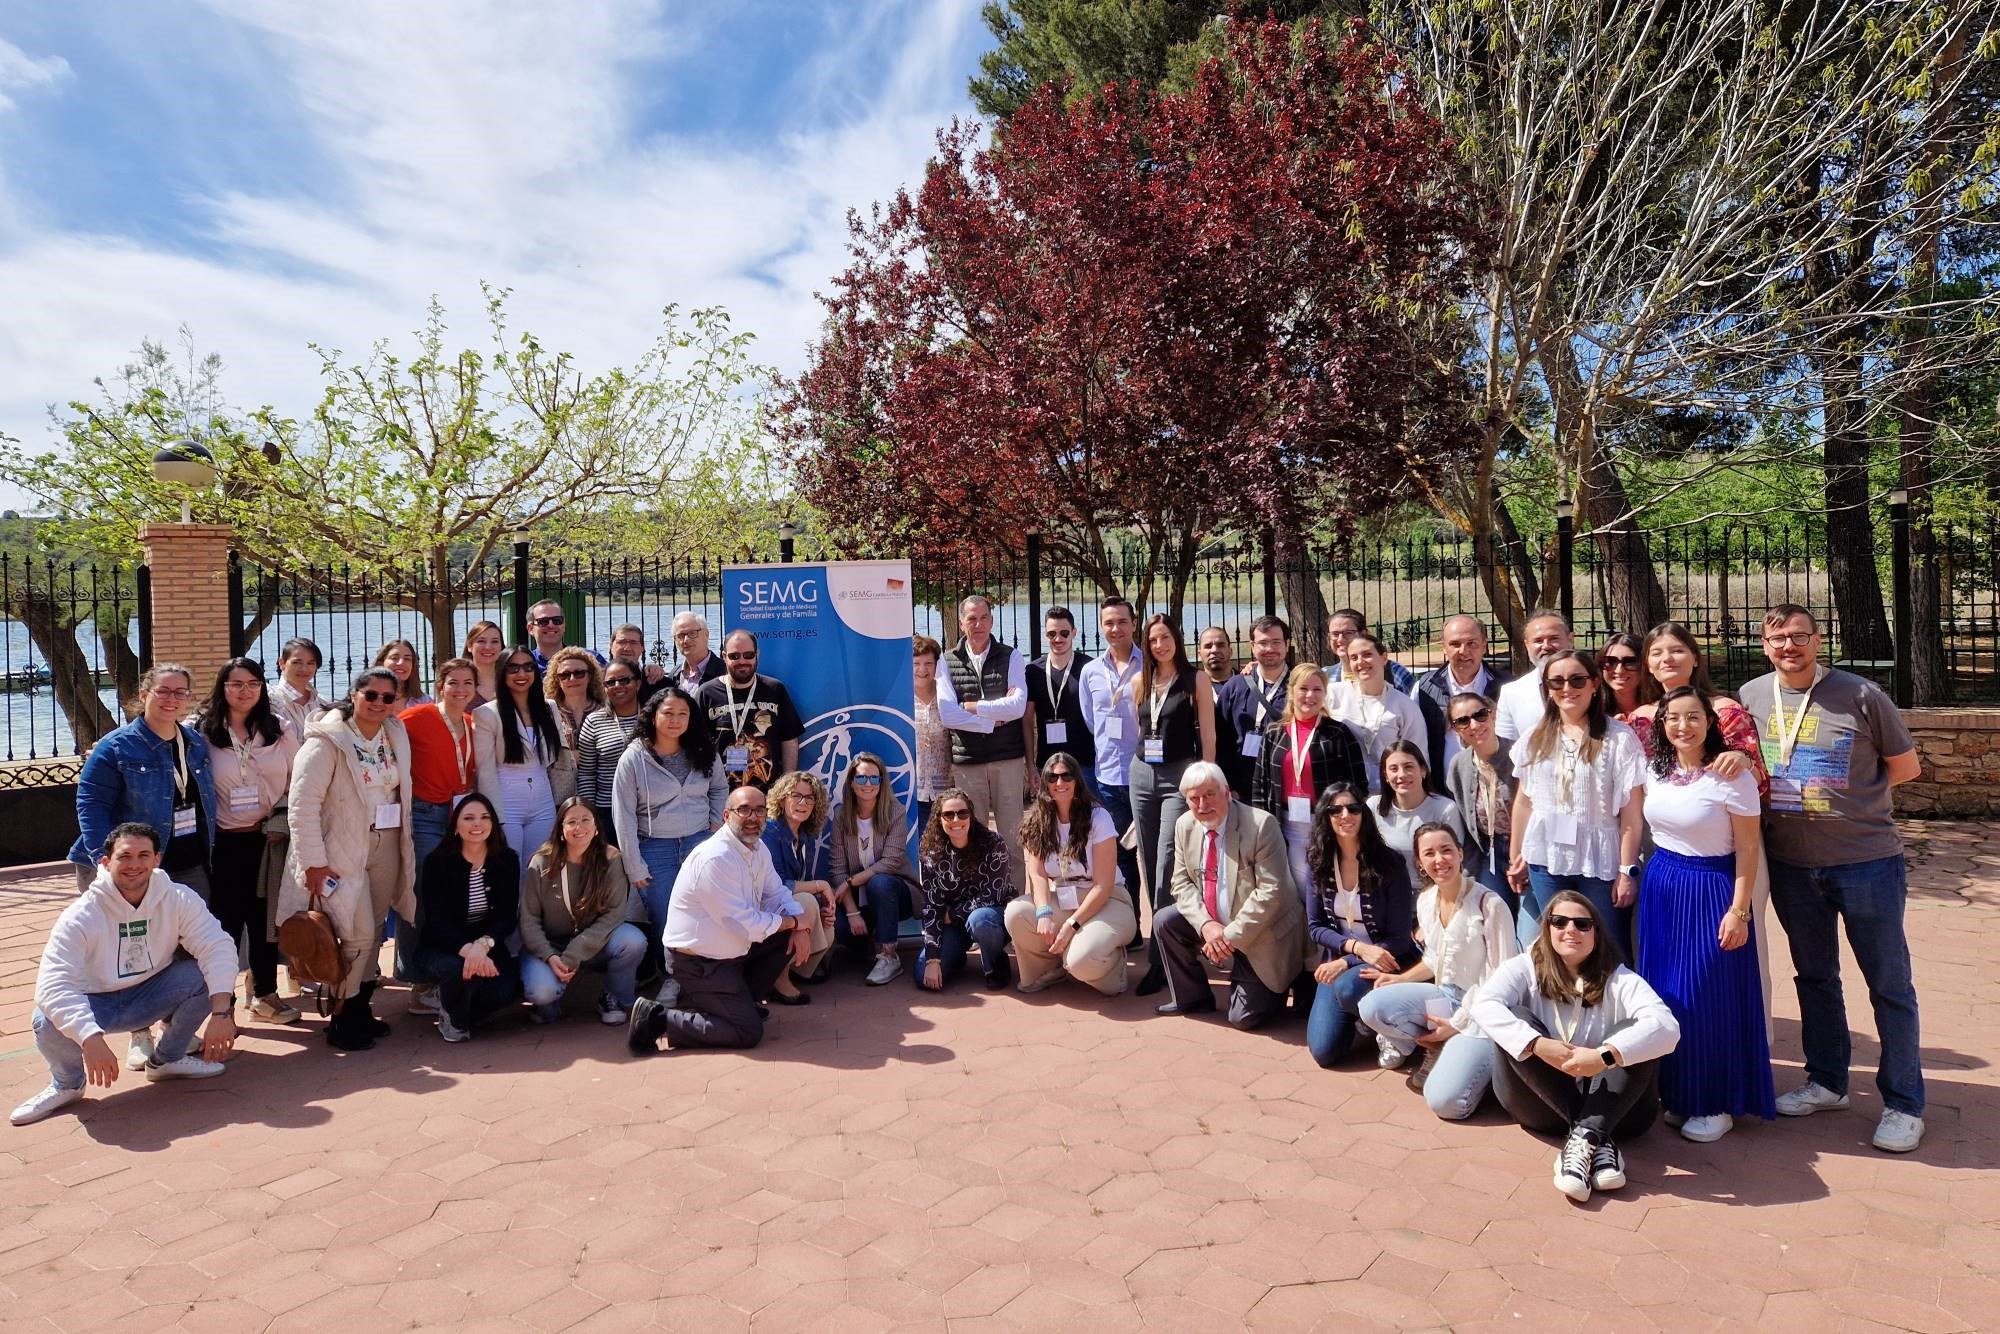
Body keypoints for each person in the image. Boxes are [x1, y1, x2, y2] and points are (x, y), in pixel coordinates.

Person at [1738, 604, 1926, 1153]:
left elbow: (1905, 767)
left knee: (1889, 984)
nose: (1788, 647)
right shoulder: (1752, 697)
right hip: (1793, 865)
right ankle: (1827, 1081)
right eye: (1777, 639)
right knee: (1815, 977)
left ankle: (1903, 1102)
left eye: (1799, 636)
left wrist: (1854, 805)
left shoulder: (1861, 695)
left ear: (1819, 641)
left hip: (1865, 861)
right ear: (1764, 645)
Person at [12, 824, 239, 1126]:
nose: (135, 865)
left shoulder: (177, 898)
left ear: (157, 859)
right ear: (106, 862)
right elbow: (54, 984)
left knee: (203, 976)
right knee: (46, 1018)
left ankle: (166, 1060)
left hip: (151, 993)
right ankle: (67, 1084)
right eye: (125, 856)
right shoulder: (81, 915)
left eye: (144, 855)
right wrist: (89, 1039)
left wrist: (222, 1013)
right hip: (97, 1004)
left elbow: (217, 945)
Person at [1467, 893, 1681, 1203]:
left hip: (1620, 1110)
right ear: (1547, 928)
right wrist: (1538, 1045)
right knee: (1515, 1021)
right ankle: (1594, 1136)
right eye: (1559, 921)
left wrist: (1604, 1055)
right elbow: (1484, 1005)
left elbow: (1667, 1027)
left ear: (1596, 932)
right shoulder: (1526, 966)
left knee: (1636, 1034)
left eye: (1582, 924)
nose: (1571, 930)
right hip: (1540, 1105)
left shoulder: (1618, 978)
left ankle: (1586, 1136)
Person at [1637, 687, 1773, 1142]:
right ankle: (1680, 1092)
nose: (1683, 726)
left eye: (1693, 717)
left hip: (1712, 889)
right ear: (1661, 724)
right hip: (1663, 886)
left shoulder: (1731, 776)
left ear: (1710, 722)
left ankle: (1716, 1101)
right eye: (1673, 718)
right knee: (1668, 993)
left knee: (1706, 994)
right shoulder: (1657, 770)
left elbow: (1749, 848)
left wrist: (1740, 911)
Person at [280, 668, 418, 1051]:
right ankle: (341, 1012)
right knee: (354, 933)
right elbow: (302, 806)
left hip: (386, 842)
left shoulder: (395, 734)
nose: (378, 703)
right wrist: (312, 863)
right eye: (370, 695)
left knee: (374, 928)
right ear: (354, 694)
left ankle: (359, 1007)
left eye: (387, 698)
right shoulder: (325, 742)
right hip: (340, 849)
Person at [626, 787, 823, 1054]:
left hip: (731, 953)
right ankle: (658, 1018)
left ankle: (738, 1003)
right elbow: (745, 924)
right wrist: (793, 923)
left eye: (759, 810)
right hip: (698, 962)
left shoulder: (757, 847)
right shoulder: (715, 858)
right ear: (726, 815)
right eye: (744, 810)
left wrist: (801, 925)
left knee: (787, 927)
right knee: (747, 1033)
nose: (753, 817)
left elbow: (776, 891)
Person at [1357, 822, 1518, 1117]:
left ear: (1459, 854)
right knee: (1371, 1006)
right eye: (1429, 853)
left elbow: (1502, 981)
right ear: (1419, 862)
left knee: (1446, 1103)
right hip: (1444, 996)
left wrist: (1456, 1025)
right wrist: (1400, 979)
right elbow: (1435, 959)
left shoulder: (1490, 905)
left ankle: (1472, 1061)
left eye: (1446, 850)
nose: (1439, 860)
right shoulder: (1426, 900)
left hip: (1485, 1013)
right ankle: (1439, 1047)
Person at [1508, 649, 1646, 956]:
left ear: (1595, 684)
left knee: (1607, 948)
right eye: (1556, 682)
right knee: (1561, 948)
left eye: (1577, 680)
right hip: (1547, 858)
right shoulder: (1534, 738)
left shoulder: (1619, 739)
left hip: (1601, 861)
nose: (1567, 688)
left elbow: (1631, 815)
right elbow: (1524, 802)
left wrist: (1627, 870)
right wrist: (1517, 854)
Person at [1152, 762, 1306, 1029]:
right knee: (1165, 921)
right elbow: (1180, 882)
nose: (1202, 804)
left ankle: (1281, 983)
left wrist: (1228, 937)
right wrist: (1206, 925)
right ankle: (1193, 998)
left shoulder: (1260, 825)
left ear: (1226, 792)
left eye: (1210, 794)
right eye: (1194, 798)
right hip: (1215, 922)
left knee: (1243, 1019)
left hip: (1260, 932)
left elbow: (1271, 892)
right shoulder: (1184, 825)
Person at [196, 657, 301, 1025]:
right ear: (222, 688)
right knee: (222, 923)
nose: (245, 692)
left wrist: (280, 820)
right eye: (236, 684)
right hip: (220, 844)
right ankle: (220, 1005)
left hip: (267, 839)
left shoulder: (280, 729)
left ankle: (264, 995)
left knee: (265, 920)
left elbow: (297, 781)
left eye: (253, 684)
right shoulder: (202, 732)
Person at [70, 664, 216, 908]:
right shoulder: (115, 747)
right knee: (130, 942)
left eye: (180, 692)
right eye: (163, 691)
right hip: (131, 864)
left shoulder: (195, 743)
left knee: (191, 939)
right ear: (143, 694)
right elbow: (91, 805)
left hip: (187, 861)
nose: (172, 699)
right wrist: (106, 860)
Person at [1303, 783, 1422, 1069]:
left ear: (1363, 814)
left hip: (1387, 959)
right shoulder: (1318, 861)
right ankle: (1365, 1018)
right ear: (1325, 817)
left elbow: (1399, 938)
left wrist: (1347, 963)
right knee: (1323, 1052)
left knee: (1347, 987)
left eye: (1353, 808)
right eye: (1336, 809)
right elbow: (1315, 925)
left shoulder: (1389, 862)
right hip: (1343, 961)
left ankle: (1390, 1027)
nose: (1346, 815)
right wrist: (1353, 951)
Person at [1130, 614, 1218, 996]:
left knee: (1168, 860)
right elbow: (1139, 729)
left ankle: (1159, 959)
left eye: (1165, 638)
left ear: (1177, 640)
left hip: (1178, 776)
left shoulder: (1195, 680)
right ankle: (1171, 945)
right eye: (1152, 640)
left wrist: (1210, 778)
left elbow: (1208, 734)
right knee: (1148, 860)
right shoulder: (1141, 681)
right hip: (1142, 774)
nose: (1160, 645)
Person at [612, 686, 728, 967]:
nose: (675, 720)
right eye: (668, 713)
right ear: (653, 716)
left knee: (702, 912)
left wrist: (714, 826)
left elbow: (719, 788)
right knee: (665, 916)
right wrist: (633, 865)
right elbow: (623, 813)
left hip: (699, 843)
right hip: (656, 849)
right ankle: (671, 979)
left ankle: (704, 978)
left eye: (682, 714)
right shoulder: (634, 757)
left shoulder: (703, 749)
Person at [1006, 753, 1138, 997]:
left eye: (1066, 775)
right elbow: (1036, 874)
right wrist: (1044, 912)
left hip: (1108, 901)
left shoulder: (1098, 817)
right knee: (1016, 914)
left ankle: (1113, 967)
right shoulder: (1037, 821)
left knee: (1080, 961)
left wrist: (1071, 925)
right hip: (1065, 898)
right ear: (1044, 782)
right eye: (1052, 777)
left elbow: (1103, 885)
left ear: (1077, 779)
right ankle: (1051, 969)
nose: (1059, 782)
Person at [398, 657, 480, 1017]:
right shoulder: (417, 718)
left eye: (467, 683)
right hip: (426, 814)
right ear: (439, 685)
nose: (460, 689)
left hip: (460, 817)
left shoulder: (473, 723)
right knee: (421, 895)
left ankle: (444, 971)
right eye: (453, 682)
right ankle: (417, 980)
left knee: (452, 896)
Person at [519, 799, 646, 1026]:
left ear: (596, 827)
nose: (579, 827)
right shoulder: (540, 863)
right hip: (550, 947)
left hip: (593, 944)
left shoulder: (610, 859)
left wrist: (573, 954)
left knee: (632, 940)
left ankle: (612, 997)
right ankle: (548, 1004)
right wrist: (550, 955)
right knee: (542, 992)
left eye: (586, 820)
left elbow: (614, 914)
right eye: (572, 822)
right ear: (560, 829)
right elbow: (528, 919)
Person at [934, 595, 1030, 894]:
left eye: (983, 618)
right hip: (968, 763)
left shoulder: (1011, 656)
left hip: (1008, 761)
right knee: (970, 839)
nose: (978, 624)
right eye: (971, 618)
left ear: (992, 620)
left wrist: (974, 706)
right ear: (961, 622)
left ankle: (1014, 907)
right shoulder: (946, 661)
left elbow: (1016, 707)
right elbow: (948, 714)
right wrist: (991, 720)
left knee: (1013, 841)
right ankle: (978, 908)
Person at [1250, 663, 1368, 906]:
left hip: (1327, 824)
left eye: (1317, 689)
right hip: (1287, 825)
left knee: (1329, 889)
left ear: (1325, 694)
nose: (1310, 696)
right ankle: (1305, 940)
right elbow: (1260, 784)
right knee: (1297, 891)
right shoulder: (1274, 732)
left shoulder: (1338, 733)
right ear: (1292, 691)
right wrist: (1263, 826)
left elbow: (1357, 785)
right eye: (1303, 688)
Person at [414, 793, 521, 1042]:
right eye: (469, 818)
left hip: (485, 944)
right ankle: (454, 1015)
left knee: (507, 991)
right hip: (443, 946)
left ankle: (453, 1004)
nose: (477, 824)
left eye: (484, 817)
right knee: (459, 970)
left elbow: (506, 917)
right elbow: (437, 921)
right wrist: (468, 951)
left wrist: (482, 946)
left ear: (493, 824)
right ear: (455, 825)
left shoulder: (506, 860)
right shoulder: (437, 862)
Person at [1626, 622, 1766, 787]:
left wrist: (1743, 762)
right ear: (1648, 665)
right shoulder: (1640, 719)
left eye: (1677, 651)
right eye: (1656, 653)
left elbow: (1757, 780)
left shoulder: (1726, 712)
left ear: (1695, 659)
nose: (1667, 659)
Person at [1077, 596, 1145, 917]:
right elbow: (1091, 720)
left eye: (1121, 621)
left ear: (1133, 624)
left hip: (1144, 779)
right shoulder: (1090, 672)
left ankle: (1161, 933)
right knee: (1120, 855)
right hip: (1106, 779)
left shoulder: (1149, 666)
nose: (1115, 628)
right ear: (1101, 627)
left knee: (1154, 853)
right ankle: (1131, 922)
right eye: (1108, 623)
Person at [829, 752, 919, 986]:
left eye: (873, 779)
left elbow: (891, 861)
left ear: (881, 783)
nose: (867, 784)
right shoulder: (841, 816)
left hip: (896, 893)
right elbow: (837, 869)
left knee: (879, 882)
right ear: (851, 782)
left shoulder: (895, 812)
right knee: (842, 929)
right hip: (860, 901)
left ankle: (889, 955)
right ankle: (866, 943)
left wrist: (852, 881)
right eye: (861, 778)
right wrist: (851, 912)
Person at [915, 788, 1014, 991]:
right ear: (938, 819)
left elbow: (992, 894)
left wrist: (953, 914)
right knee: (922, 977)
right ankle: (955, 954)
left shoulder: (993, 843)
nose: (956, 819)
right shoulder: (931, 852)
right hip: (953, 926)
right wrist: (933, 960)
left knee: (979, 919)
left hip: (991, 917)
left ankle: (995, 962)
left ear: (971, 815)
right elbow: (931, 905)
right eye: (948, 814)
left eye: (962, 813)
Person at [474, 647, 569, 855]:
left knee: (539, 868)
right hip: (507, 801)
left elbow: (559, 756)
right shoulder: (486, 714)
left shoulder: (549, 707)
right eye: (513, 668)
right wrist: (494, 816)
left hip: (543, 800)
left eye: (528, 667)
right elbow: (485, 770)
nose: (522, 674)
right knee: (509, 866)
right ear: (502, 672)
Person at [760, 771, 839, 1000]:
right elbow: (774, 885)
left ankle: (798, 970)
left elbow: (800, 883)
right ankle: (777, 980)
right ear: (782, 799)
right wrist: (820, 886)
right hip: (761, 906)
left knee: (826, 922)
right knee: (805, 902)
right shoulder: (771, 832)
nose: (802, 803)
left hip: (783, 903)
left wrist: (821, 902)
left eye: (809, 798)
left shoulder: (804, 835)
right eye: (796, 795)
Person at [698, 629, 804, 792]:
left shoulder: (775, 689)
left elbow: (789, 739)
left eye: (748, 655)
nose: (742, 661)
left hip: (769, 794)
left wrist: (787, 784)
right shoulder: (707, 693)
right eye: (734, 656)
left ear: (757, 654)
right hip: (720, 794)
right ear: (724, 656)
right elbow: (694, 743)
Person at [1444, 692, 1519, 916]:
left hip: (1526, 854)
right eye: (1463, 721)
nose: (1474, 725)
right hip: (1489, 853)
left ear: (1493, 715)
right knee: (1493, 919)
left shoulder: (1519, 755)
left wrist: (1522, 855)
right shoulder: (1459, 766)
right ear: (1456, 729)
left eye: (1480, 715)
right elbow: (1465, 825)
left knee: (1528, 933)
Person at [1327, 632, 1425, 793]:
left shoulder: (1404, 706)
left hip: (1389, 793)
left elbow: (1419, 756)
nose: (1361, 662)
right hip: (1346, 794)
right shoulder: (1333, 695)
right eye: (1354, 658)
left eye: (1367, 655)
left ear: (1384, 658)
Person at [1215, 614, 1294, 802]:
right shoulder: (1235, 686)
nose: (1269, 649)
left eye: (1276, 642)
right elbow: (1220, 740)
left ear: (1287, 643)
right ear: (1252, 646)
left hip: (1285, 789)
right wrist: (1228, 785)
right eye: (1262, 643)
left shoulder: (1300, 687)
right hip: (1240, 790)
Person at [1415, 614, 1504, 775]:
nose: (1463, 651)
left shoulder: (1506, 688)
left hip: (1495, 786)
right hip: (1441, 792)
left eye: (1472, 643)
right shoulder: (1423, 689)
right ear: (1444, 647)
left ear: (1484, 646)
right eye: (1455, 644)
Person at [1374, 741, 1465, 887]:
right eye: (1393, 769)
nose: (1401, 775)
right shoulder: (1373, 807)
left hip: (1433, 891)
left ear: (1423, 770)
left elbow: (1455, 862)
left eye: (1408, 767)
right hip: (1388, 893)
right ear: (1385, 775)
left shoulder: (1445, 809)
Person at [575, 658, 646, 839]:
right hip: (607, 811)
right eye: (610, 682)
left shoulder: (652, 717)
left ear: (637, 684)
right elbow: (587, 773)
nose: (617, 685)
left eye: (624, 680)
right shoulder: (594, 721)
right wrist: (590, 814)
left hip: (648, 808)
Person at [1025, 608, 1095, 777]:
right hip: (1048, 765)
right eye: (1052, 634)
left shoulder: (1090, 667)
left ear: (1074, 632)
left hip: (1086, 765)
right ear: (1045, 635)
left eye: (1064, 633)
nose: (1058, 639)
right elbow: (1027, 721)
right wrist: (1030, 765)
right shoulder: (1033, 670)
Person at [1493, 611, 1573, 744]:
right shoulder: (1511, 693)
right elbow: (1505, 749)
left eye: (1554, 638)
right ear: (1527, 645)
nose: (1546, 646)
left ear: (1570, 640)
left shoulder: (1592, 684)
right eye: (1538, 641)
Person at [912, 635, 953, 834]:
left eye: (929, 663)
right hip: (913, 791)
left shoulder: (947, 696)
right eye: (916, 663)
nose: (922, 670)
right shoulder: (902, 699)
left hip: (945, 789)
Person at [1325, 609, 1416, 693]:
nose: (1340, 639)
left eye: (1348, 633)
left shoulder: (1394, 673)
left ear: (1364, 634)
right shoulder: (1324, 676)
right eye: (1335, 634)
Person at [271, 637, 331, 735]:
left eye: (310, 663)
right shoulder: (270, 702)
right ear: (282, 663)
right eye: (297, 662)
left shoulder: (324, 704)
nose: (304, 669)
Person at [528, 600, 606, 669]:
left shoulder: (592, 659)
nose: (551, 625)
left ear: (564, 625)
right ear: (530, 628)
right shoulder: (524, 664)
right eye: (543, 621)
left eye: (557, 620)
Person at [670, 612, 727, 696]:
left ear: (706, 635)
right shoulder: (674, 675)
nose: (686, 640)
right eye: (681, 635)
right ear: (675, 640)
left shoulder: (724, 671)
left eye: (692, 633)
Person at [608, 622, 668, 698]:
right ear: (611, 646)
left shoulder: (661, 684)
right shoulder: (597, 682)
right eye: (622, 642)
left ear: (642, 648)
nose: (627, 648)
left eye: (633, 643)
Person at [1596, 632, 1647, 721]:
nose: (1619, 670)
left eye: (1630, 662)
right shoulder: (1592, 710)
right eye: (1610, 662)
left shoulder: (1661, 708)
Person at [373, 639, 432, 708]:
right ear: (381, 663)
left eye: (407, 659)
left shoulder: (424, 701)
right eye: (394, 658)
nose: (401, 663)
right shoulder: (368, 698)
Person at [462, 620, 506, 707]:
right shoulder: (457, 682)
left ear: (501, 647)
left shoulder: (510, 681)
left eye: (494, 641)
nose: (488, 647)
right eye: (481, 641)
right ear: (470, 646)